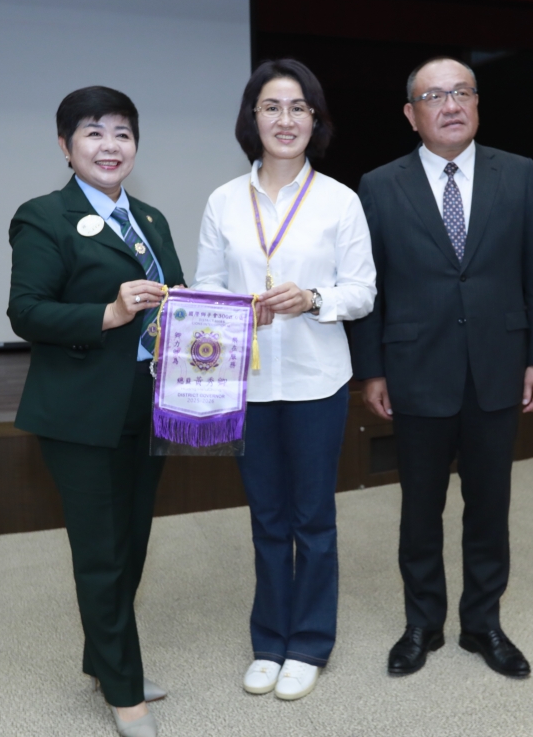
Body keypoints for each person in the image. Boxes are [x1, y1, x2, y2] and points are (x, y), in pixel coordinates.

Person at [351, 57, 533, 679]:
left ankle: (483, 623)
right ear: (410, 114)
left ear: (477, 103)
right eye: (434, 96)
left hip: (499, 365)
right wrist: (372, 370)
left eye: (462, 92)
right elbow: (370, 286)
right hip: (415, 368)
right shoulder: (378, 185)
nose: (451, 105)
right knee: (420, 509)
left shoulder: (517, 173)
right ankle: (423, 623)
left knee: (489, 505)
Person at [193, 59, 376, 700]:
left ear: (315, 119)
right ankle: (270, 640)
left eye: (299, 107)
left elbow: (362, 290)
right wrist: (233, 306)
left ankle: (310, 643)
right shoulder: (223, 200)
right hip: (248, 383)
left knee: (313, 518)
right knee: (267, 517)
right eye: (272, 107)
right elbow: (207, 286)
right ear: (253, 118)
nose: (285, 119)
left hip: (316, 380)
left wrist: (314, 299)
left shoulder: (340, 200)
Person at [7, 86, 185, 737]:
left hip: (148, 401)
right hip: (80, 413)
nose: (110, 146)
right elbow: (26, 311)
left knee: (132, 543)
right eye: (93, 132)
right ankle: (124, 690)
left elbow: (175, 298)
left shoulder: (151, 219)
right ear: (65, 146)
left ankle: (105, 661)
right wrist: (107, 313)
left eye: (123, 133)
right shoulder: (43, 217)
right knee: (102, 553)